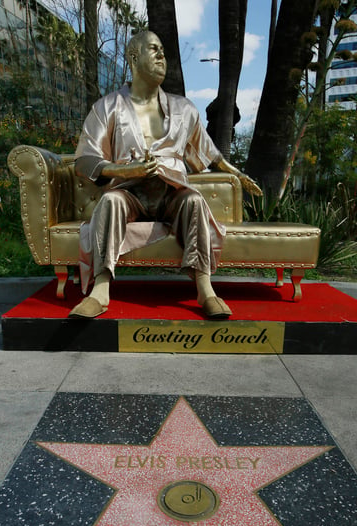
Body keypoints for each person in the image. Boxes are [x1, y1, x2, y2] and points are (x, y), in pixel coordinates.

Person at [69, 30, 262, 319]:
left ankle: (204, 287)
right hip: (129, 192)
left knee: (195, 201)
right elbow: (84, 160)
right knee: (109, 202)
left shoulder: (184, 109)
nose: (162, 55)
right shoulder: (107, 106)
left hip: (172, 193)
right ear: (134, 57)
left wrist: (239, 174)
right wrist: (124, 170)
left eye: (163, 50)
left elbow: (210, 153)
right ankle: (101, 289)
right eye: (153, 49)